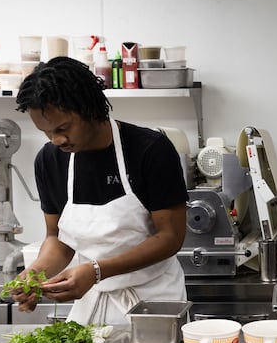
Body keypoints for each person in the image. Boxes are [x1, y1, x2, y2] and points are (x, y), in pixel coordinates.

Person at [11, 56, 188, 325]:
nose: (57, 140)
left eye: (63, 128)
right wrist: (36, 274)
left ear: (89, 109)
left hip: (153, 303)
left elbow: (170, 237)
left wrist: (96, 271)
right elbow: (58, 239)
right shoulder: (50, 160)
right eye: (47, 133)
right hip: (91, 304)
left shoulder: (150, 150)